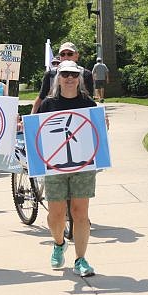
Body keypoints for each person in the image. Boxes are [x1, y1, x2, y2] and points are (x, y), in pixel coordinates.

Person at [36, 60, 99, 277]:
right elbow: (38, 135)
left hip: (83, 165)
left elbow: (95, 135)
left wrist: (103, 125)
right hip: (54, 166)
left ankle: (80, 259)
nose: (69, 78)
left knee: (80, 212)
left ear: (79, 78)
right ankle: (59, 243)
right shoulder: (48, 105)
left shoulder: (89, 104)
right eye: (65, 75)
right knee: (56, 214)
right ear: (58, 78)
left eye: (73, 74)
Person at [31, 42, 94, 114]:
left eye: (70, 54)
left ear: (76, 56)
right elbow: (41, 97)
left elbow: (90, 100)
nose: (66, 57)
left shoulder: (86, 74)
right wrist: (30, 119)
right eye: (62, 54)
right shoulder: (50, 74)